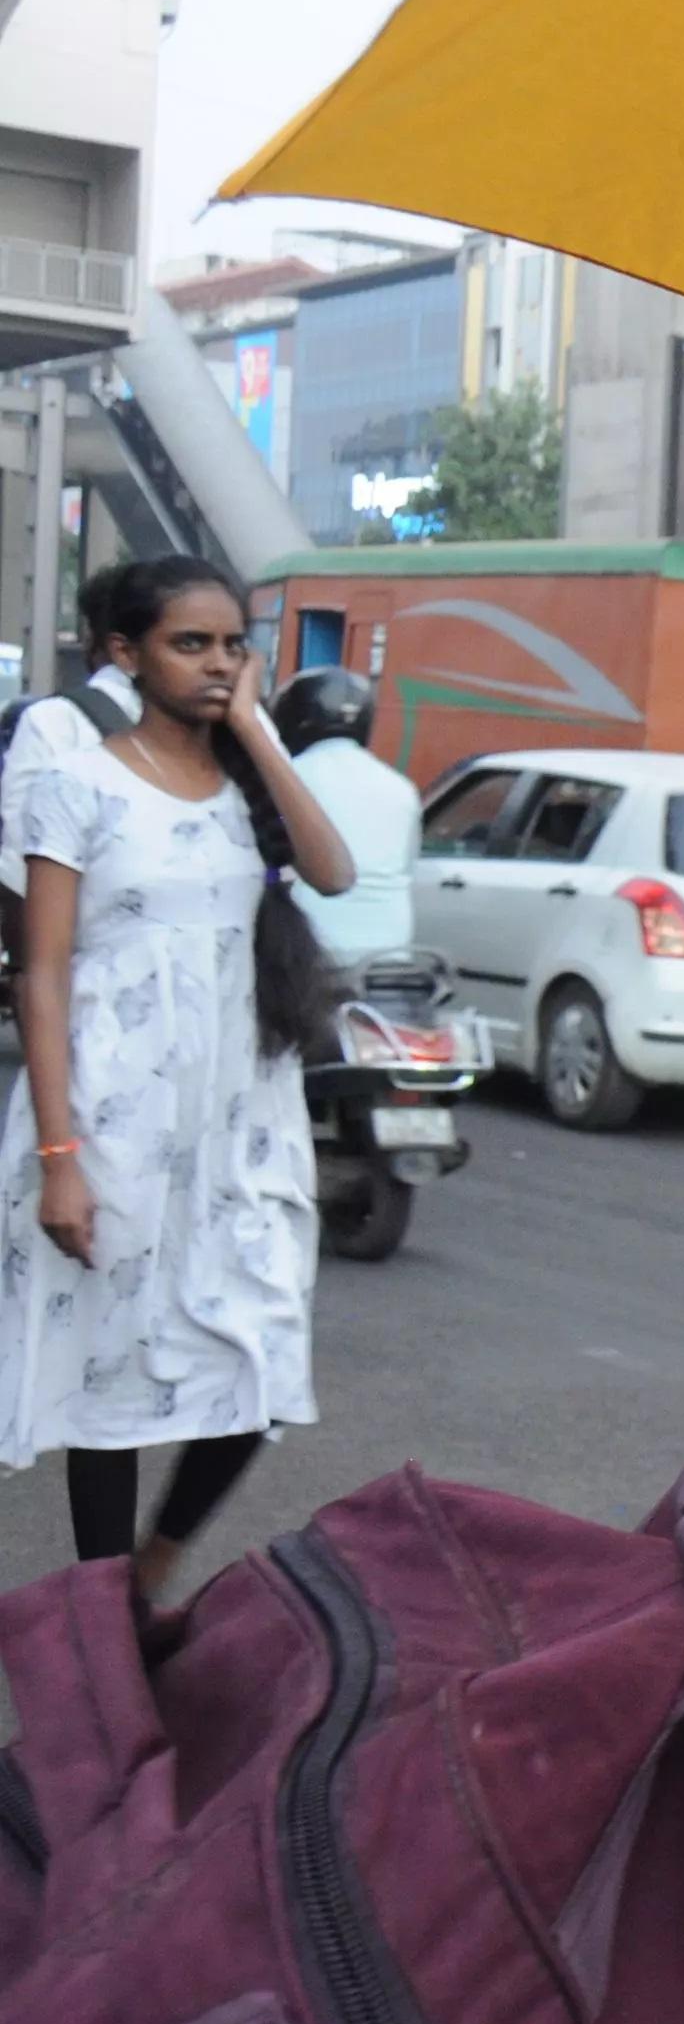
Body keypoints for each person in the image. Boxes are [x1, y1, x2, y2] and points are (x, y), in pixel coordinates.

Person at [0, 556, 354, 1595]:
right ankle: (107, 1614)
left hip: (242, 1111)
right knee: (110, 1370)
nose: (217, 663)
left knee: (263, 1347)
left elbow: (333, 873)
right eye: (189, 645)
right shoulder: (78, 782)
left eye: (233, 645)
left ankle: (155, 1571)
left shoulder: (250, 776)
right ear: (125, 654)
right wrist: (61, 1155)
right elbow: (45, 976)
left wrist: (252, 727)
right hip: (114, 1109)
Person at [271, 666, 423, 963]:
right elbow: (407, 866)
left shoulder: (288, 780)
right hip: (391, 948)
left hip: (310, 949)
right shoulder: (400, 786)